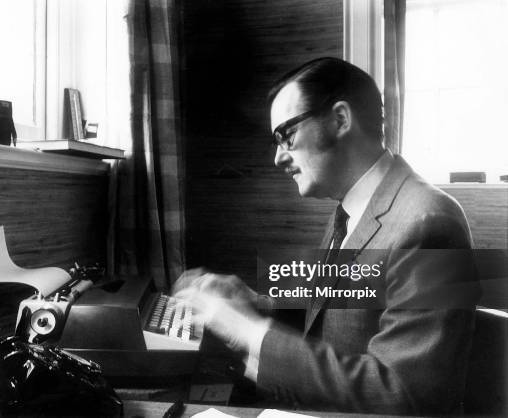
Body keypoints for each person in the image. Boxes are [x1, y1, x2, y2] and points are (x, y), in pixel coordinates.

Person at [174, 57, 479, 415]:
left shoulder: (429, 221)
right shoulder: (350, 210)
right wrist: (253, 302)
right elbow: (340, 318)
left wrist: (248, 330)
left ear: (340, 120)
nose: (277, 158)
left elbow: (406, 393)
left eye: (286, 135)